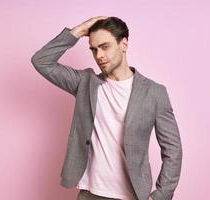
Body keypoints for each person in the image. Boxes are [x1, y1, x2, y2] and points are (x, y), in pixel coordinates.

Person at [31, 16, 182, 200]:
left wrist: (160, 195)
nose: (99, 55)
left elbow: (173, 149)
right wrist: (78, 31)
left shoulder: (154, 93)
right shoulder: (85, 83)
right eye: (94, 50)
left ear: (123, 45)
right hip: (90, 194)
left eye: (105, 46)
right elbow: (41, 61)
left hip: (133, 195)